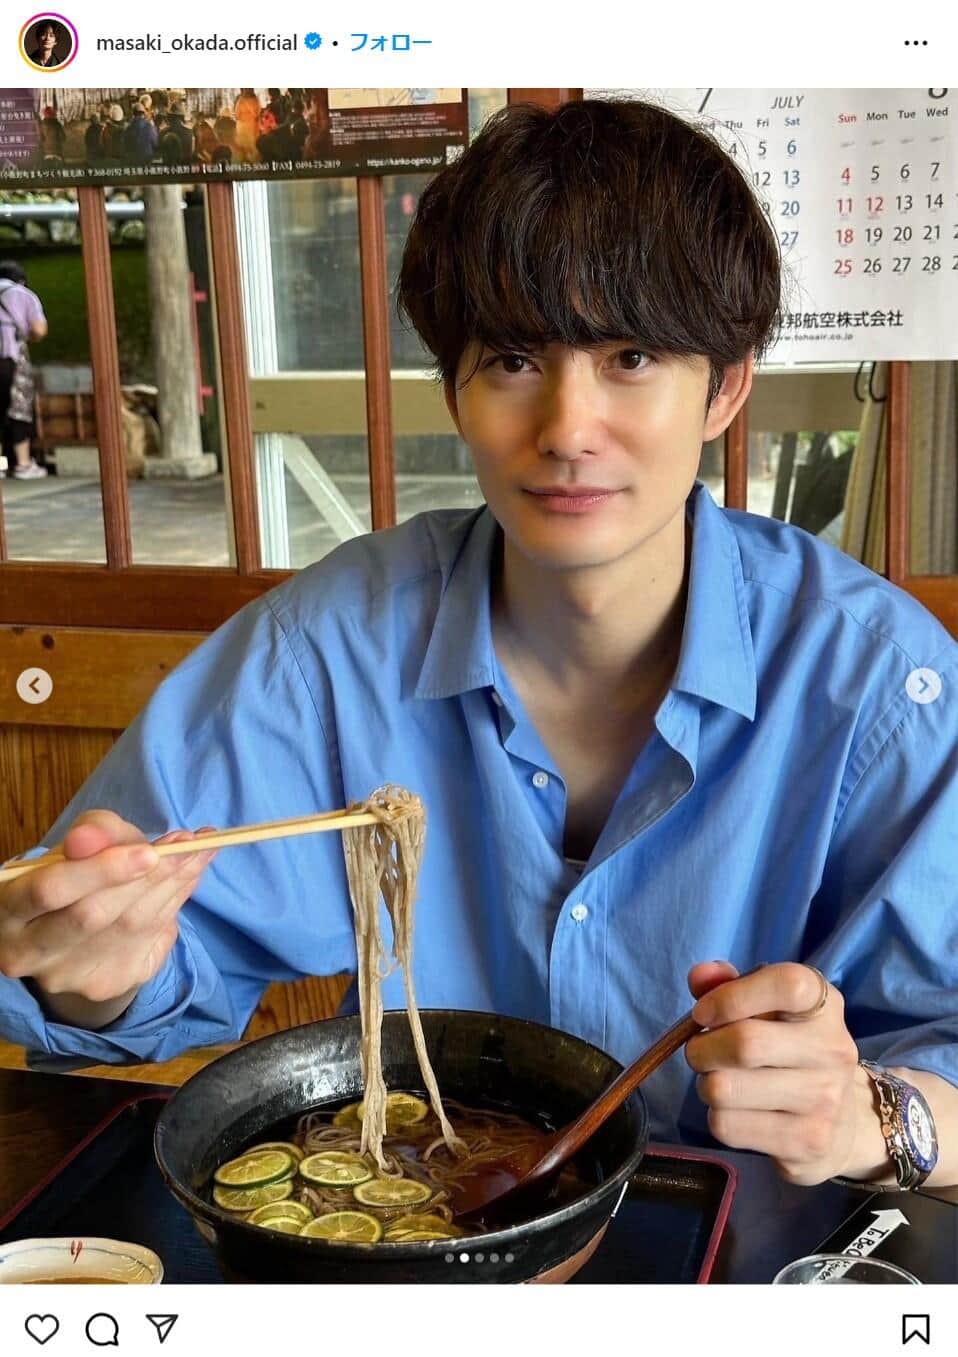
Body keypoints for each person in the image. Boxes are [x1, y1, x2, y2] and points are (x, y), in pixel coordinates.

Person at [0, 99, 955, 1192]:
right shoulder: (329, 650)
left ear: (724, 387)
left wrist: (873, 1119)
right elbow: (124, 981)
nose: (566, 427)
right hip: (432, 1231)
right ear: (454, 388)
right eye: (510, 357)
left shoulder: (877, 681)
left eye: (631, 357)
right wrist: (93, 975)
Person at [0, 260, 48, 479]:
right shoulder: (23, 294)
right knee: (19, 406)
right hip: (10, 357)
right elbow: (39, 330)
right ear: (21, 279)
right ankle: (22, 464)